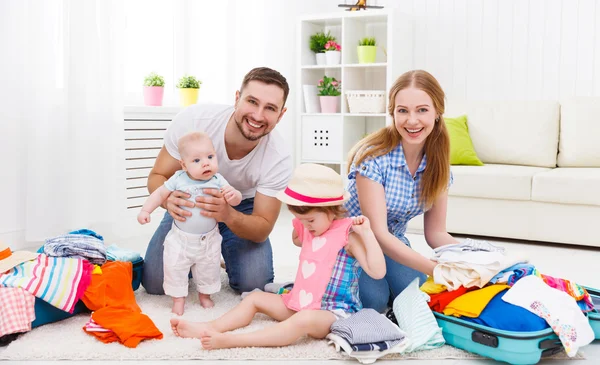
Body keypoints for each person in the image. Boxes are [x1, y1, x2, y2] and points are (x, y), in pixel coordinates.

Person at [169, 163, 386, 350]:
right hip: (298, 302)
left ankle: (232, 341)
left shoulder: (348, 235)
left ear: (332, 210)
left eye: (310, 221)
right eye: (301, 221)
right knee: (254, 298)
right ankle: (210, 327)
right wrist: (302, 219)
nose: (306, 227)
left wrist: (367, 235)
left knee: (303, 320)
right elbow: (297, 240)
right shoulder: (310, 227)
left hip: (331, 312)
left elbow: (377, 271)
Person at [142, 67, 292, 296]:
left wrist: (228, 215)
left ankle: (218, 252)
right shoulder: (193, 121)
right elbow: (157, 176)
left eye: (270, 108)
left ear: (281, 115)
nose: (258, 116)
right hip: (190, 201)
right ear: (236, 99)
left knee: (254, 283)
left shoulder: (278, 156)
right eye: (252, 101)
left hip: (242, 205)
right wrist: (169, 201)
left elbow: (262, 227)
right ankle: (199, 256)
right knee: (155, 284)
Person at [345, 69, 459, 313]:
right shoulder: (373, 158)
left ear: (437, 112)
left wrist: (468, 258)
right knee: (374, 302)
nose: (412, 121)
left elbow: (436, 233)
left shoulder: (438, 164)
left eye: (422, 110)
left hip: (392, 242)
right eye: (402, 111)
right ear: (392, 113)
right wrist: (435, 268)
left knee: (420, 294)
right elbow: (378, 233)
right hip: (355, 242)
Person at [137, 131, 242, 313]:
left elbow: (234, 199)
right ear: (184, 165)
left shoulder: (217, 180)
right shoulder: (178, 179)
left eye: (210, 156)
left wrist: (234, 196)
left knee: (208, 268)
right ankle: (178, 299)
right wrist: (146, 210)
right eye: (197, 160)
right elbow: (160, 194)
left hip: (208, 239)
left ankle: (205, 295)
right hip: (181, 239)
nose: (206, 163)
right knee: (174, 267)